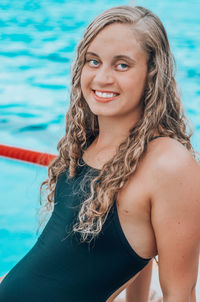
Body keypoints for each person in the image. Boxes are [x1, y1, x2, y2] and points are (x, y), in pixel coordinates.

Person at [0, 5, 200, 302]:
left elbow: (179, 294)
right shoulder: (90, 138)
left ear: (152, 74)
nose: (102, 78)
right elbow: (136, 247)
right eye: (93, 62)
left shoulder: (169, 164)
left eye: (122, 65)